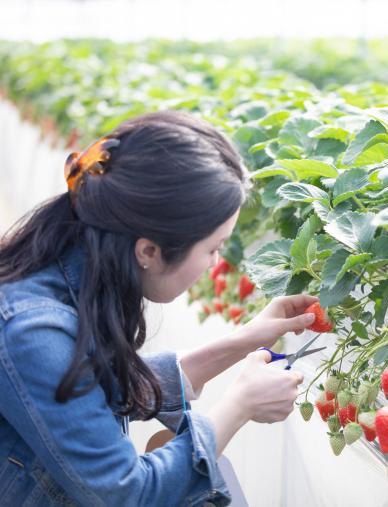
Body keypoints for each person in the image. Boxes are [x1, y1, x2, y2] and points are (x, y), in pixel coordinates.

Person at [0, 111, 319, 506]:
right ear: (148, 250)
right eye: (212, 248)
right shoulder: (32, 331)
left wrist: (245, 339)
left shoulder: (73, 280)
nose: (215, 263)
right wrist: (239, 406)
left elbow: (102, 389)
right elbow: (128, 494)